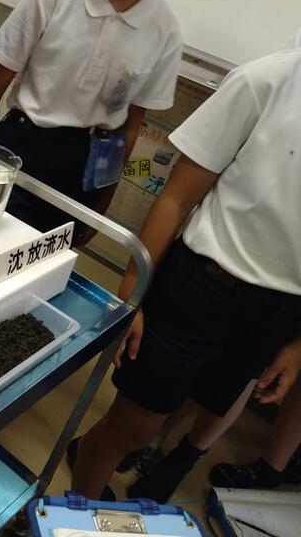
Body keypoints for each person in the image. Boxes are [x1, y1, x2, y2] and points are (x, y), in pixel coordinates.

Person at [70, 46, 301, 502]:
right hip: (204, 289)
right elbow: (176, 197)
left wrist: (297, 342)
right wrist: (132, 294)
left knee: (193, 404)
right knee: (133, 427)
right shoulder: (265, 81)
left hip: (278, 311)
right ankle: (74, 509)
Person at [0, 0, 193, 242]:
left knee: (45, 260)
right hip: (20, 145)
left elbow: (128, 127)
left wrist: (100, 207)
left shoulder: (166, 31)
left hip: (87, 164)